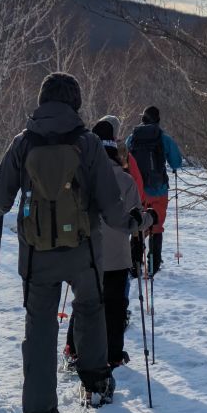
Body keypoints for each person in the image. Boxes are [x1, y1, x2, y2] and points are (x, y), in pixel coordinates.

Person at [0, 73, 145, 413]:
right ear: (75, 103)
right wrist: (133, 222)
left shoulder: (22, 143)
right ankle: (95, 383)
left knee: (40, 327)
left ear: (42, 101)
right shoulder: (88, 143)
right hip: (84, 251)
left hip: (36, 256)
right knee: (90, 309)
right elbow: (110, 206)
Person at [64, 120, 155, 368]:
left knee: (83, 305)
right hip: (117, 257)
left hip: (85, 255)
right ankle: (113, 354)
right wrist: (151, 219)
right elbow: (135, 220)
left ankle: (73, 348)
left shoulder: (80, 179)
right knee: (114, 309)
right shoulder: (125, 181)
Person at [126, 106, 183, 274]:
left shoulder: (132, 138)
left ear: (142, 119)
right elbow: (176, 162)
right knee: (156, 225)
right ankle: (154, 264)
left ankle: (134, 264)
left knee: (138, 225)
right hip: (159, 191)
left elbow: (125, 161)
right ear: (158, 120)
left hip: (138, 191)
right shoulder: (163, 138)